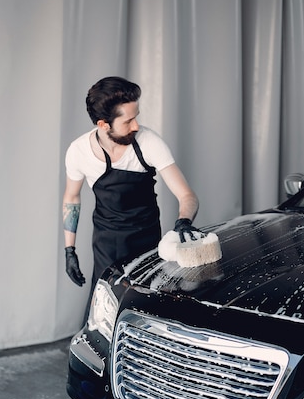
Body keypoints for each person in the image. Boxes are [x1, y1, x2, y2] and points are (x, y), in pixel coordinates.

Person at [62, 76, 204, 296]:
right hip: (106, 244)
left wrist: (184, 221)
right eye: (127, 122)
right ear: (103, 124)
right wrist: (69, 250)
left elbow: (187, 195)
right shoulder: (78, 151)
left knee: (143, 304)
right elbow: (71, 198)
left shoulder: (149, 143)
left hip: (147, 242)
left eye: (136, 117)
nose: (136, 126)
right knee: (105, 307)